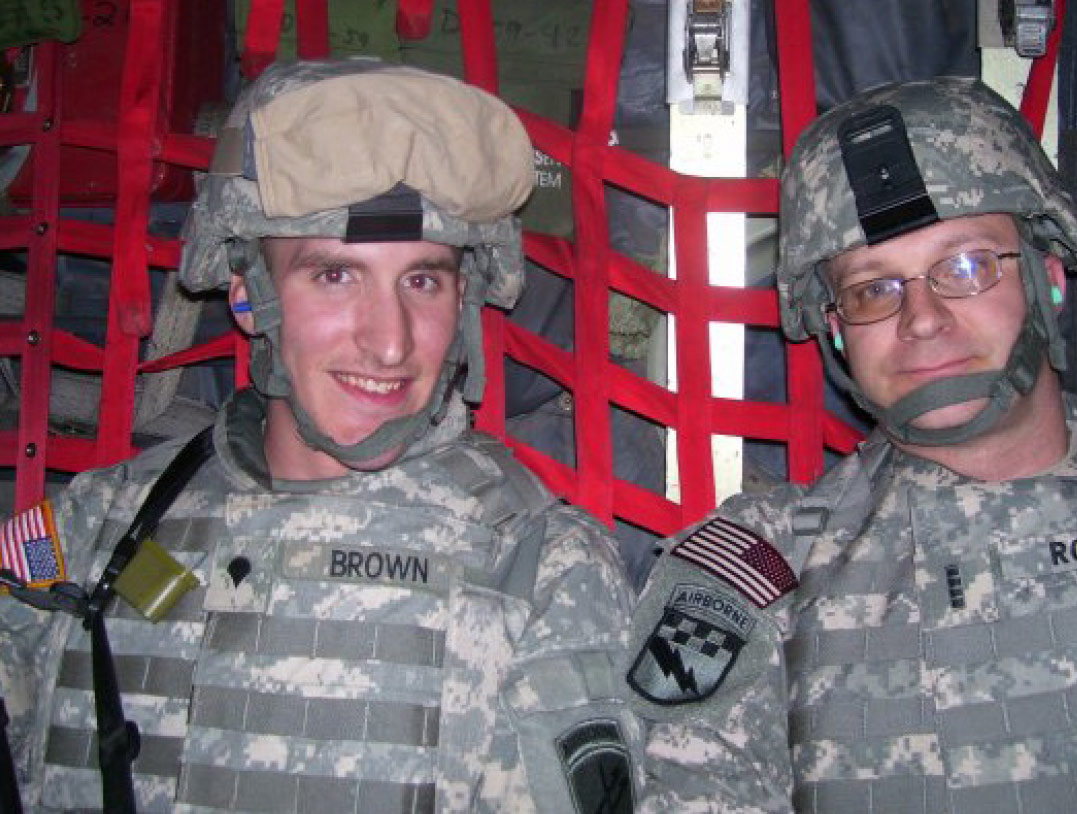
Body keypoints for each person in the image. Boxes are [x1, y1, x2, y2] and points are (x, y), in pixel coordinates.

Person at [0, 60, 639, 812]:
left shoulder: (541, 571)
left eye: (422, 280)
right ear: (248, 294)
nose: (391, 344)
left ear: (465, 299)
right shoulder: (89, 526)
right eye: (335, 277)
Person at [626, 76, 1077, 812]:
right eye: (873, 289)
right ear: (835, 329)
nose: (921, 319)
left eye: (964, 266)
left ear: (1048, 278)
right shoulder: (756, 576)